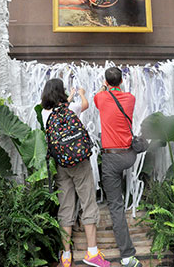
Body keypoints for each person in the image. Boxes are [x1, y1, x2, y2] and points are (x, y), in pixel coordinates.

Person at [41, 78, 110, 267]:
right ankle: (92, 253)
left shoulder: (45, 114)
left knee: (65, 206)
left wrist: (69, 97)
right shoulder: (72, 109)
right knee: (88, 202)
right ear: (62, 94)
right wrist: (80, 94)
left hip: (61, 163)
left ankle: (65, 255)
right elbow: (85, 105)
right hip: (79, 162)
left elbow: (59, 109)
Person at [94, 67, 142, 267]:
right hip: (128, 155)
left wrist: (105, 87)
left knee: (116, 205)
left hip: (112, 158)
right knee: (119, 198)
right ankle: (128, 256)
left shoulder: (100, 97)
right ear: (122, 81)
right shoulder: (130, 98)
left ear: (105, 82)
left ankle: (127, 255)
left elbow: (100, 96)